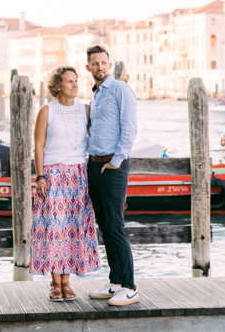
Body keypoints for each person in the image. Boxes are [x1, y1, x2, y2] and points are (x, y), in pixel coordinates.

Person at [31, 66, 100, 301]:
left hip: (78, 176)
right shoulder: (46, 110)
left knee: (72, 229)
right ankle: (54, 283)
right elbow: (38, 146)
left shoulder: (86, 110)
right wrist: (40, 177)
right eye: (69, 81)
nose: (74, 85)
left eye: (75, 81)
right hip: (53, 175)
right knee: (54, 229)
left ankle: (67, 282)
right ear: (58, 86)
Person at [85, 45, 140, 306]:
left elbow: (129, 129)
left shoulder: (121, 90)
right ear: (89, 67)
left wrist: (116, 161)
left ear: (110, 64)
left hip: (113, 166)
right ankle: (115, 282)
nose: (100, 67)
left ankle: (129, 286)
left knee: (115, 225)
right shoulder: (95, 95)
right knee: (105, 226)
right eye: (94, 63)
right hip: (94, 166)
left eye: (103, 63)